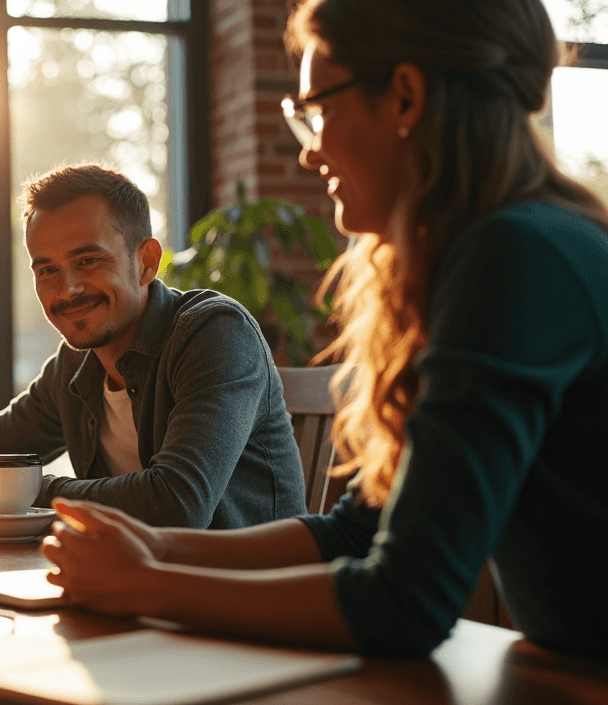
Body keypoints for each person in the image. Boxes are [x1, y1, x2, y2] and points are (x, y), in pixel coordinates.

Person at [43, 0, 608, 659]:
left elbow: (406, 602)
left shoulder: (517, 257)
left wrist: (147, 586)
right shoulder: (514, 242)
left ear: (404, 96)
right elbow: (359, 531)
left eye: (320, 110)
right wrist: (159, 547)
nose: (309, 153)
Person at [0, 164, 305, 528]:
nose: (67, 290)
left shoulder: (214, 333)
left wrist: (26, 491)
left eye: (88, 260)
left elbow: (178, 503)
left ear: (147, 262)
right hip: (132, 587)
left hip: (245, 589)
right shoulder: (74, 367)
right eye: (47, 270)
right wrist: (7, 491)